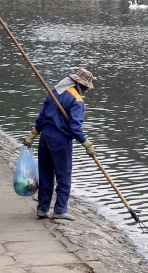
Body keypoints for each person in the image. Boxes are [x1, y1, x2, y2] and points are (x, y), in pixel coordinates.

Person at [22, 68, 96, 221]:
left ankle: (42, 209)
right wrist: (86, 143)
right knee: (63, 177)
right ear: (80, 85)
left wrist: (33, 134)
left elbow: (42, 116)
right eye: (86, 87)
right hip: (60, 142)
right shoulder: (76, 100)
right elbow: (75, 127)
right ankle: (60, 210)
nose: (86, 90)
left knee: (46, 175)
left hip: (45, 139)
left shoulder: (55, 92)